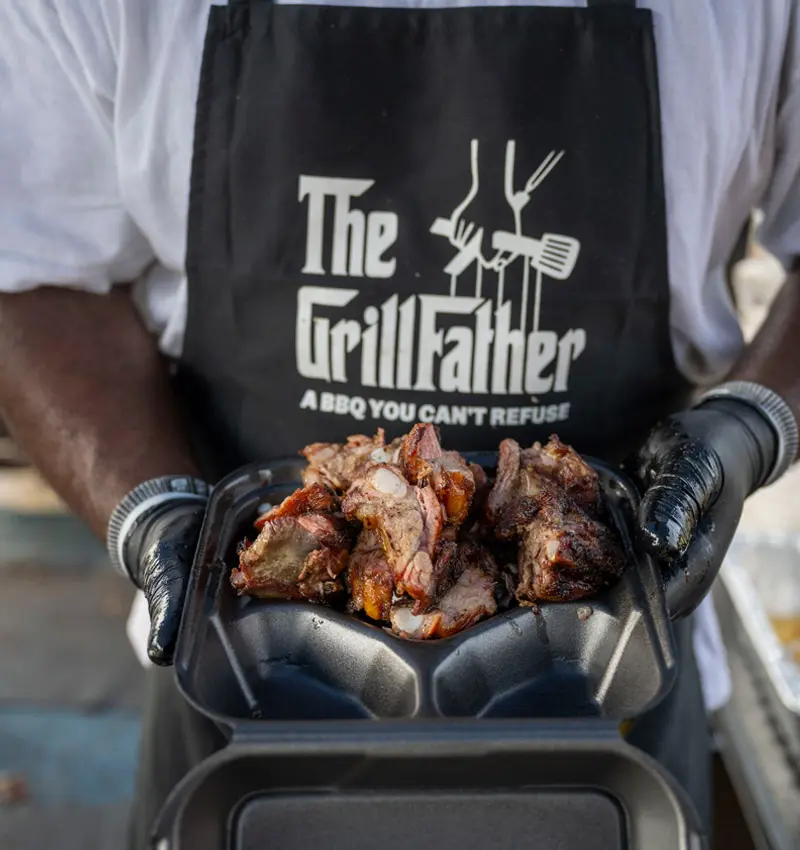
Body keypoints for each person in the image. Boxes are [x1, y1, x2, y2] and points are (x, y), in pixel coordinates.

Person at [0, 0, 798, 846]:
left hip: (610, 714)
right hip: (242, 709)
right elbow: (31, 266)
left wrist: (753, 421)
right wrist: (151, 508)